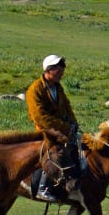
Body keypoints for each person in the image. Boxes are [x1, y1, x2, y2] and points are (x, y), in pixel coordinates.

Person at [25, 54, 81, 203]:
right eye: (59, 70)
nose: (61, 73)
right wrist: (64, 127)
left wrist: (73, 124)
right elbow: (39, 116)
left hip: (61, 131)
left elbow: (67, 108)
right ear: (49, 70)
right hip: (43, 131)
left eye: (62, 70)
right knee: (54, 152)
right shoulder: (35, 89)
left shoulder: (58, 88)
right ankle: (43, 187)